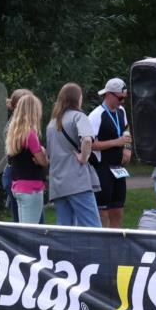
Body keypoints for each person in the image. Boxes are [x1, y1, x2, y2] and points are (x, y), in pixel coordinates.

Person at [46, 83, 101, 227]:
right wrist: (84, 157)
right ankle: (96, 251)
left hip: (57, 183)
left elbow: (50, 155)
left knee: (65, 229)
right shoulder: (79, 116)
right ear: (77, 99)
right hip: (77, 181)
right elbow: (87, 139)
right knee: (92, 227)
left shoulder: (52, 123)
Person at [88, 78, 131, 228]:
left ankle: (116, 242)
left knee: (118, 209)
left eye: (124, 98)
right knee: (103, 211)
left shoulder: (121, 111)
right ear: (108, 95)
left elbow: (126, 130)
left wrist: (126, 148)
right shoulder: (96, 115)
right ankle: (102, 242)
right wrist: (116, 142)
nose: (122, 102)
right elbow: (89, 145)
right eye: (120, 98)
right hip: (102, 168)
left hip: (118, 167)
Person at [6, 92, 49, 224]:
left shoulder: (15, 132)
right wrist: (44, 153)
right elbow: (42, 161)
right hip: (31, 187)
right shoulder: (30, 134)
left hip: (18, 186)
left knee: (23, 229)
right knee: (30, 231)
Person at [0, 88, 31, 223]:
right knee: (25, 221)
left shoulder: (16, 122)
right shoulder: (18, 126)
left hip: (13, 172)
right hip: (17, 174)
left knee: (21, 219)